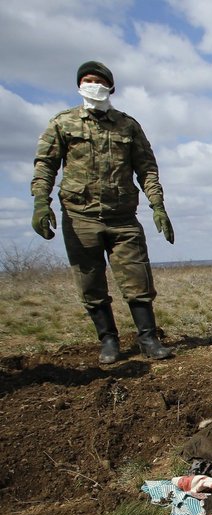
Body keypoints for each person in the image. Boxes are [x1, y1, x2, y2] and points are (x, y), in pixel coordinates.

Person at [31, 61, 174, 364]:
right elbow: (45, 165)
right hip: (80, 216)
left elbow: (147, 169)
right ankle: (109, 341)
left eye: (98, 80)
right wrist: (40, 202)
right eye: (87, 80)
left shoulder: (128, 125)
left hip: (123, 217)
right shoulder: (63, 123)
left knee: (138, 281)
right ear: (79, 85)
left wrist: (157, 205)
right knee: (91, 284)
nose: (92, 84)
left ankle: (148, 339)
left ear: (110, 86)